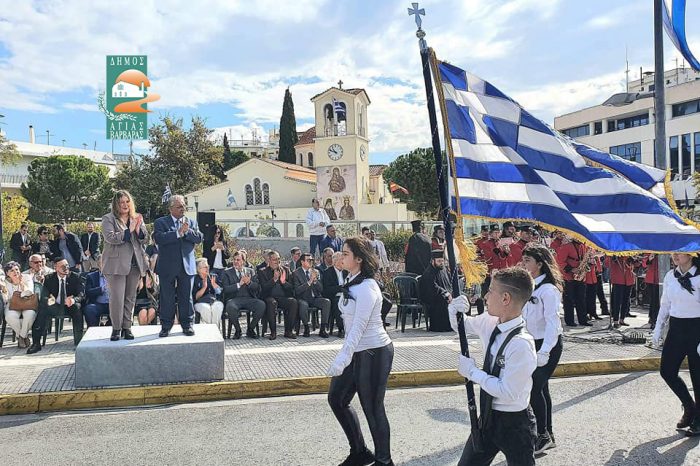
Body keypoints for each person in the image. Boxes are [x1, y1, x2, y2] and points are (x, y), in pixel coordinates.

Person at [448, 267, 537, 466]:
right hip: (488, 418)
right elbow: (461, 326)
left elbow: (508, 392)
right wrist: (454, 309)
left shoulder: (521, 344)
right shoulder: (489, 321)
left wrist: (472, 372)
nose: (486, 296)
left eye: (490, 291)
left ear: (505, 298)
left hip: (515, 423)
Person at [327, 237, 394, 466]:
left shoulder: (367, 287)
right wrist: (346, 354)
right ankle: (360, 452)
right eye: (341, 252)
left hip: (374, 351)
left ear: (358, 259)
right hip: (357, 349)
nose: (340, 256)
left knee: (372, 408)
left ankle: (384, 461)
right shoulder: (351, 280)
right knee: (337, 399)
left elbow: (359, 326)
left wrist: (343, 356)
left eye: (345, 253)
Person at [520, 245, 564, 454]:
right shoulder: (528, 286)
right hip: (531, 342)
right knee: (541, 388)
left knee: (534, 387)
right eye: (524, 260)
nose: (524, 264)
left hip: (549, 343)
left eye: (528, 260)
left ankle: (542, 434)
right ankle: (548, 434)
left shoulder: (548, 289)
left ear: (539, 264)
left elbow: (553, 324)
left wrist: (545, 350)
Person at [652, 253, 700, 435]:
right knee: (667, 371)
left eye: (679, 252)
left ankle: (699, 420)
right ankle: (689, 407)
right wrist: (658, 329)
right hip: (677, 329)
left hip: (697, 329)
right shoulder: (670, 276)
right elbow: (665, 305)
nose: (674, 256)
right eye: (673, 252)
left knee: (698, 377)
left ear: (691, 254)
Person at [101, 190, 149, 341]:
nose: (125, 205)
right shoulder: (108, 219)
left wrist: (138, 230)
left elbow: (145, 238)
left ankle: (127, 327)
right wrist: (129, 231)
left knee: (130, 297)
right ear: (116, 204)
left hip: (135, 263)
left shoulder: (136, 218)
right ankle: (116, 328)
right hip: (116, 265)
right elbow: (110, 238)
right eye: (121, 202)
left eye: (127, 201)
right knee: (117, 298)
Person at [154, 194, 203, 337]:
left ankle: (187, 325)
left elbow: (199, 238)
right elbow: (159, 238)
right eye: (179, 206)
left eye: (184, 206)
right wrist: (177, 233)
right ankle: (166, 326)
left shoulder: (191, 222)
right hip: (167, 266)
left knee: (186, 296)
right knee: (167, 297)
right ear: (171, 209)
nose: (183, 209)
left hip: (186, 266)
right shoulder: (161, 222)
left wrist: (187, 231)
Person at [28, 256, 85, 353]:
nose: (66, 268)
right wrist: (48, 301)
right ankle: (36, 343)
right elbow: (44, 296)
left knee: (77, 307)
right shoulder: (49, 278)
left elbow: (81, 294)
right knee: (42, 309)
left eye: (67, 265)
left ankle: (78, 342)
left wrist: (74, 300)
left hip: (69, 305)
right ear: (56, 268)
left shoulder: (76, 277)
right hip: (55, 305)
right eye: (62, 266)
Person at [220, 251, 267, 339]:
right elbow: (225, 289)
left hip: (249, 299)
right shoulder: (227, 272)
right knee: (230, 306)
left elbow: (257, 287)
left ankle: (250, 329)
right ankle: (238, 330)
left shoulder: (251, 271)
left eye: (238, 260)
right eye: (234, 260)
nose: (235, 262)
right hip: (235, 299)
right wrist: (239, 284)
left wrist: (249, 282)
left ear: (243, 261)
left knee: (261, 305)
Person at [258, 250, 298, 339]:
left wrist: (284, 282)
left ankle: (288, 331)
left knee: (293, 302)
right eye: (275, 259)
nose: (277, 261)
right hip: (269, 297)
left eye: (279, 259)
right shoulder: (262, 271)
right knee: (272, 303)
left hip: (283, 297)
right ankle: (273, 332)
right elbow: (263, 288)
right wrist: (274, 279)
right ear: (269, 260)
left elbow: (291, 288)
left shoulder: (286, 270)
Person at [292, 253, 331, 338]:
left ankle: (323, 329)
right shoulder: (296, 273)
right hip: (303, 298)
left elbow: (321, 289)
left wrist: (315, 281)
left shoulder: (316, 271)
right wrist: (309, 282)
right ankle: (306, 327)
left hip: (315, 298)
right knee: (303, 305)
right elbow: (297, 291)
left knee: (326, 302)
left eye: (312, 260)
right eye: (308, 260)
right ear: (302, 262)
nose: (311, 262)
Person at [2, 261, 37, 349]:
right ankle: (24, 336)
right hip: (12, 304)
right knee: (10, 317)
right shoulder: (5, 282)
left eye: (17, 270)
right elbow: (7, 299)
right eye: (12, 271)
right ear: (7, 273)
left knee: (30, 315)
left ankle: (21, 337)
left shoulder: (27, 277)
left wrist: (20, 283)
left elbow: (29, 292)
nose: (16, 272)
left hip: (27, 302)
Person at [556, 236, 589, 327]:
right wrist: (571, 269)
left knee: (581, 299)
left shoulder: (583, 246)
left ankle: (583, 320)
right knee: (569, 300)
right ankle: (569, 321)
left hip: (580, 276)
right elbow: (559, 261)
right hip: (568, 277)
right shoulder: (566, 246)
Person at [419, 250, 453, 332]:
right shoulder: (429, 272)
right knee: (443, 301)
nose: (441, 263)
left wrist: (451, 293)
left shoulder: (443, 269)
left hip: (444, 295)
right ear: (433, 261)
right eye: (439, 261)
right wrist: (446, 294)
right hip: (432, 298)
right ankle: (443, 327)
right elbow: (432, 287)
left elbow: (448, 284)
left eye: (442, 261)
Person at [193, 258, 224, 330]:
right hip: (200, 302)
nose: (207, 268)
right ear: (199, 269)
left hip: (214, 301)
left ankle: (214, 330)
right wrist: (204, 287)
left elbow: (220, 293)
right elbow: (195, 297)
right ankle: (212, 331)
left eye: (208, 266)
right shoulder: (194, 279)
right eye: (205, 267)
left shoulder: (213, 276)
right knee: (206, 309)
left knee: (218, 307)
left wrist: (215, 287)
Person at [607, 256, 638, 328]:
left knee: (626, 301)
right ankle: (615, 320)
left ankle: (622, 319)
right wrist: (612, 258)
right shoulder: (614, 254)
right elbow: (606, 264)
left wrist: (635, 260)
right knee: (617, 302)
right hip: (618, 280)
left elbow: (638, 264)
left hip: (628, 279)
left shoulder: (629, 254)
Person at [322, 251, 347, 337]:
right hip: (334, 297)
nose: (344, 261)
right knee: (338, 303)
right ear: (335, 261)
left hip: (346, 295)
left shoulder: (346, 272)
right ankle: (341, 329)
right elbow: (326, 289)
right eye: (342, 260)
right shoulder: (327, 272)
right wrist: (340, 288)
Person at [83, 258, 111, 327]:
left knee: (121, 309)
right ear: (99, 265)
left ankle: (109, 327)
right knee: (90, 309)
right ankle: (93, 331)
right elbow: (88, 292)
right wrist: (102, 289)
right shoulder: (91, 276)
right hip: (98, 304)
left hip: (113, 304)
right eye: (103, 263)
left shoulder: (116, 276)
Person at [643, 253, 661, 329]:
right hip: (652, 279)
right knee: (654, 301)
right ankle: (653, 319)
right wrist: (649, 259)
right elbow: (644, 264)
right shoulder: (649, 251)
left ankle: (653, 318)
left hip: (660, 278)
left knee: (657, 301)